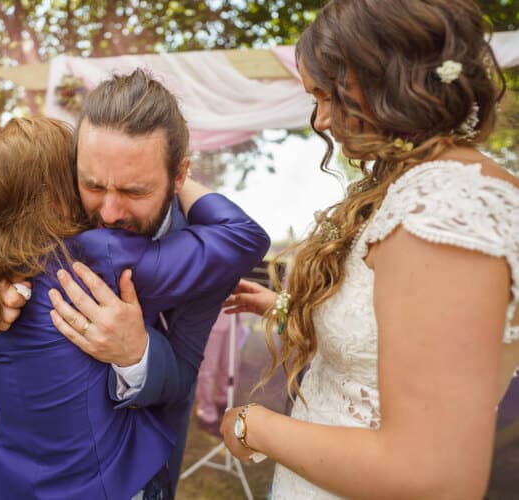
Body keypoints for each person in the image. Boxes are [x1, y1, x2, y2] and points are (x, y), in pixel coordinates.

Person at [218, 1, 519, 498]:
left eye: (326, 95)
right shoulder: (417, 186)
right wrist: (281, 306)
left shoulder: (445, 206)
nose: (320, 120)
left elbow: (431, 475)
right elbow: (385, 337)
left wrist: (252, 425)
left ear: (389, 79)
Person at [0, 69, 270, 491]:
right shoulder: (53, 204)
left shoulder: (207, 251)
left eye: (134, 191)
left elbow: (182, 378)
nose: (108, 213)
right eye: (92, 184)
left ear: (179, 175)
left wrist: (138, 354)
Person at [194, 309, 247, 436]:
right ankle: (206, 413)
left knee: (231, 365)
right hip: (211, 317)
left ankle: (223, 402)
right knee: (207, 370)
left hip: (233, 316)